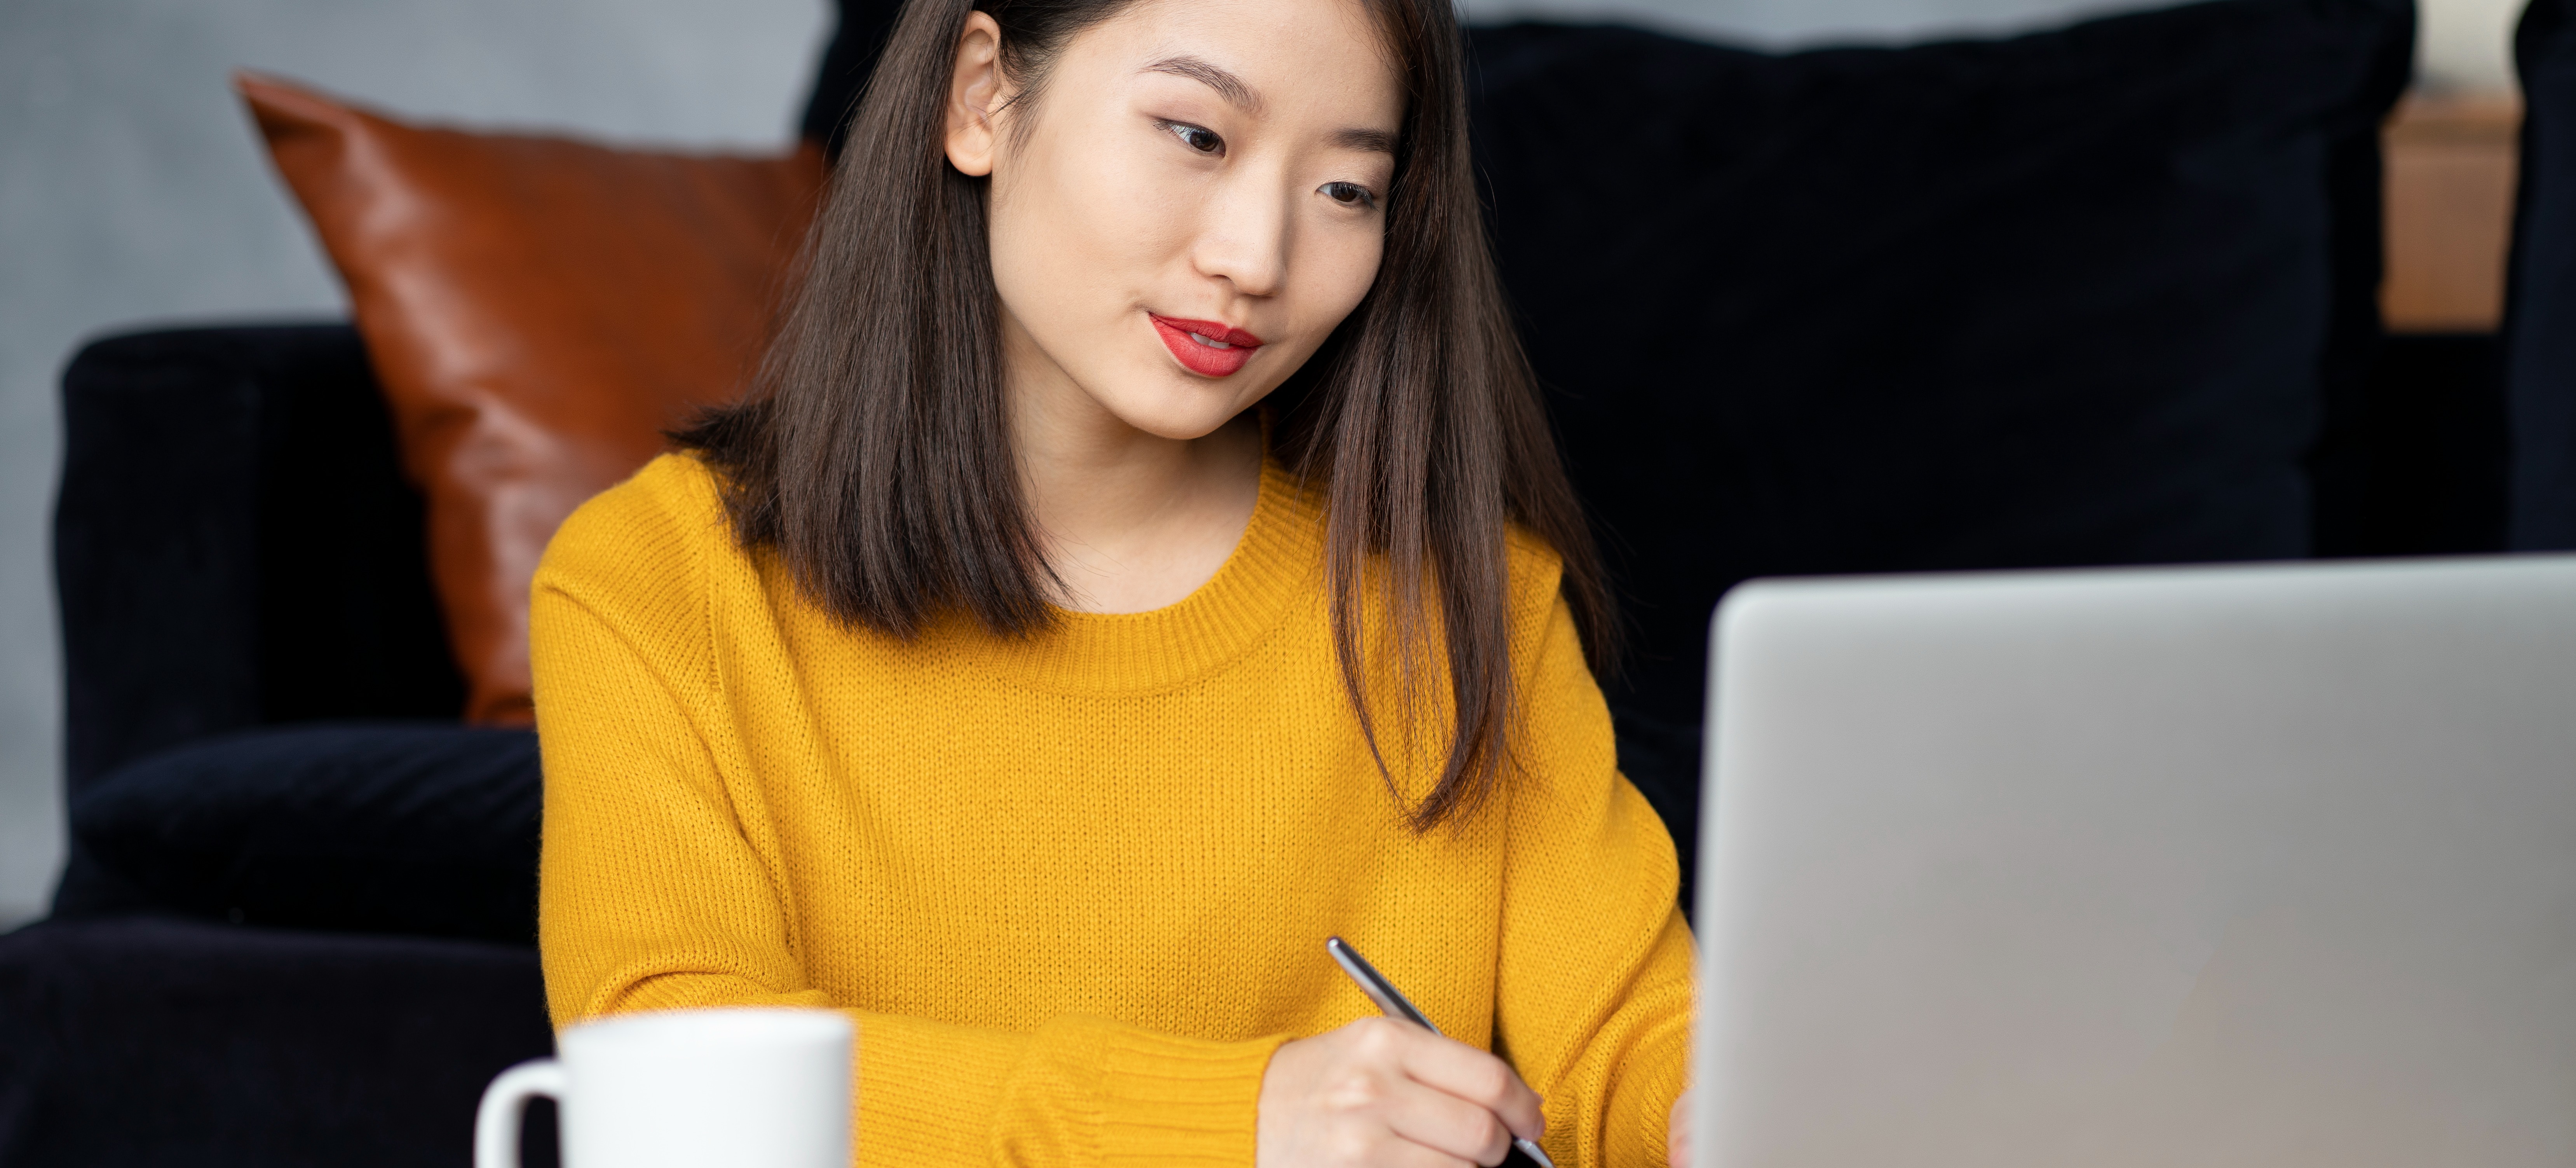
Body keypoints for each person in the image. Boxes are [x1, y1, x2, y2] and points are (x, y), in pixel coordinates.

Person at [529, 0, 1692, 1162]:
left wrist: (1732, 1111)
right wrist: (1234, 1122)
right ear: (982, 97)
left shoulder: (1467, 602)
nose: (1254, 258)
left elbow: (1637, 1041)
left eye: (1347, 191)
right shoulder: (656, 582)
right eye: (1196, 135)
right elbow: (667, 1070)